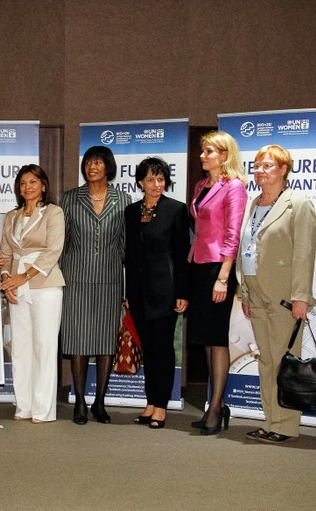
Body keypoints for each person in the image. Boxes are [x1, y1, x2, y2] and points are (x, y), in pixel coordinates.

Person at [237, 145, 316, 444]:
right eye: (257, 165)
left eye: (268, 166)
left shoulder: (298, 203)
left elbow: (305, 254)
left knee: (285, 361)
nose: (260, 170)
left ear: (283, 169)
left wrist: (300, 296)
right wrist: (245, 292)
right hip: (255, 292)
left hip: (284, 295)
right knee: (266, 361)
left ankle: (284, 425)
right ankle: (270, 421)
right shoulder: (253, 202)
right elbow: (247, 249)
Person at [60, 146, 132, 425]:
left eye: (98, 162)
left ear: (108, 167)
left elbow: (127, 244)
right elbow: (61, 242)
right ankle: (79, 402)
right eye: (88, 161)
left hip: (110, 279)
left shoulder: (124, 200)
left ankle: (99, 402)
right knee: (78, 342)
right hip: (75, 278)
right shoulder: (70, 199)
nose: (92, 166)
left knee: (104, 343)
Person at [188, 131, 247, 435]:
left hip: (218, 270)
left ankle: (215, 408)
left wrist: (223, 277)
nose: (203, 156)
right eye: (203, 151)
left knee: (218, 339)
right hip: (199, 265)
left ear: (224, 156)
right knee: (208, 338)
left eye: (209, 151)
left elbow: (233, 235)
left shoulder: (234, 187)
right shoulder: (201, 185)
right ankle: (216, 403)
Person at [124, 157, 189, 429]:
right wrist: (128, 292)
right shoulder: (130, 211)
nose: (156, 184)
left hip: (165, 291)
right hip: (138, 292)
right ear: (140, 182)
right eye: (150, 179)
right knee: (149, 349)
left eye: (161, 179)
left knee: (163, 350)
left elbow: (182, 254)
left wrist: (183, 292)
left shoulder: (176, 210)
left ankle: (161, 406)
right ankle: (150, 403)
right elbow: (130, 254)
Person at [0, 164, 64, 423]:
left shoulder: (53, 212)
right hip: (16, 287)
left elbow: (53, 250)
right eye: (23, 183)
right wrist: (7, 280)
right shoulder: (11, 216)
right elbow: (5, 253)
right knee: (21, 348)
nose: (27, 187)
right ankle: (24, 405)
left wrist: (23, 277)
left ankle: (43, 409)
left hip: (45, 285)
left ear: (44, 185)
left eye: (33, 182)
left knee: (44, 347)